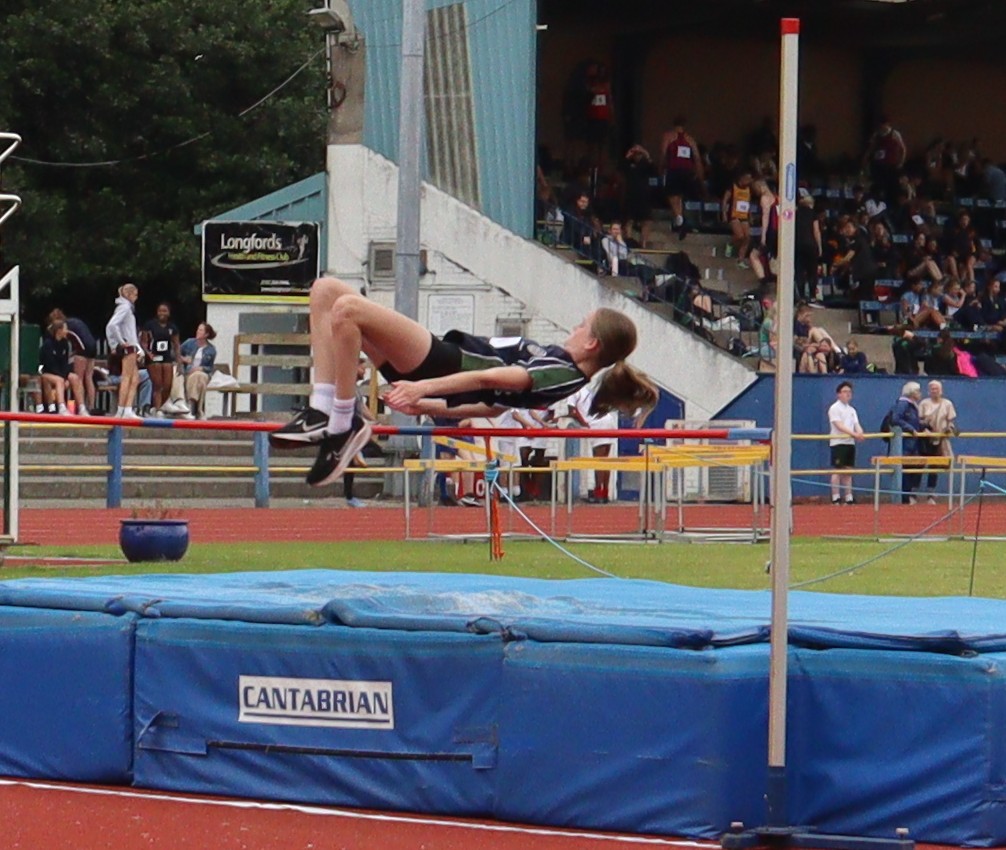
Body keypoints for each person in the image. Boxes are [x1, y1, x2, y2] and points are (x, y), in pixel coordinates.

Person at [270, 277, 658, 489]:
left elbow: (491, 377)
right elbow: (494, 405)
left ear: (591, 344)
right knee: (325, 292)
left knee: (346, 308)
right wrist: (425, 406)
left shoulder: (564, 371)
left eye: (581, 326)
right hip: (435, 365)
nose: (573, 328)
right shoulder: (560, 367)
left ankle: (341, 423)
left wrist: (425, 389)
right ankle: (323, 409)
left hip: (439, 362)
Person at [568, 382, 619, 503]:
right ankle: (605, 492)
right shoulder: (587, 390)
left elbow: (572, 411)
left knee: (599, 461)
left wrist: (584, 423)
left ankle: (598, 493)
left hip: (596, 424)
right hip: (607, 420)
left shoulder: (573, 393)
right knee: (605, 460)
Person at [659, 116, 704, 239]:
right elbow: (697, 158)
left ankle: (680, 219)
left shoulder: (668, 136)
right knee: (680, 196)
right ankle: (680, 219)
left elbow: (663, 153)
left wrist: (661, 168)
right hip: (687, 171)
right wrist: (699, 174)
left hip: (674, 170)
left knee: (672, 195)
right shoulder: (690, 139)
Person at [917, 380, 958, 505]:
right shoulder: (924, 403)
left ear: (941, 390)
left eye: (936, 389)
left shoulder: (947, 404)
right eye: (932, 389)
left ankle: (931, 494)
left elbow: (950, 422)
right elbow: (919, 421)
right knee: (919, 465)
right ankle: (913, 493)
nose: (934, 391)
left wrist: (949, 429)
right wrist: (925, 429)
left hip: (940, 439)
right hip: (925, 440)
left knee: (934, 467)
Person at [105, 283, 142, 420]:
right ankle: (121, 410)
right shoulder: (125, 307)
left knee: (135, 378)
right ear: (129, 294)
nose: (136, 298)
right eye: (135, 295)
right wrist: (120, 342)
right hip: (128, 346)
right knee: (127, 377)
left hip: (132, 346)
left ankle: (128, 408)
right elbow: (111, 325)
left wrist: (139, 348)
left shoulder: (126, 308)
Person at [140, 302, 182, 414]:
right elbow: (143, 342)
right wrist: (148, 353)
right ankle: (157, 409)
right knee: (158, 384)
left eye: (164, 311)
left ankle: (161, 405)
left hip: (166, 357)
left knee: (167, 385)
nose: (162, 313)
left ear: (169, 313)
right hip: (154, 356)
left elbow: (176, 345)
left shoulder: (172, 327)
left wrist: (179, 361)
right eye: (160, 311)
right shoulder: (150, 325)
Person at [39, 320, 87, 416]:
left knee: (75, 378)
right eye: (65, 329)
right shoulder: (48, 344)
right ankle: (62, 407)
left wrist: (66, 377)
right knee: (59, 380)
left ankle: (82, 408)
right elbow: (49, 364)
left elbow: (65, 363)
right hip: (48, 372)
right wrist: (63, 378)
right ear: (59, 330)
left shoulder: (65, 343)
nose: (67, 331)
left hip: (60, 373)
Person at [827, 381, 864, 505]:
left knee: (848, 471)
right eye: (845, 391)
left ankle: (849, 497)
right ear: (838, 394)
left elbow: (856, 424)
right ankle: (835, 497)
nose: (848, 394)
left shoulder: (852, 410)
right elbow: (839, 425)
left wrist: (860, 433)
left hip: (850, 443)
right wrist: (854, 434)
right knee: (837, 470)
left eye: (849, 392)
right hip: (838, 442)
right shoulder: (834, 408)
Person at [889, 381, 923, 505]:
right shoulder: (903, 404)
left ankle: (907, 497)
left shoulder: (913, 406)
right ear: (912, 393)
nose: (920, 393)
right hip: (904, 445)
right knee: (905, 471)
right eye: (918, 391)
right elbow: (895, 419)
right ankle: (903, 499)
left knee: (914, 469)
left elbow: (915, 422)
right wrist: (910, 429)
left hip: (912, 444)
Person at [179, 322, 218, 418]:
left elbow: (210, 368)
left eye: (200, 330)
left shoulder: (211, 350)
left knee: (199, 375)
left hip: (203, 374)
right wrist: (184, 359)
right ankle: (198, 410)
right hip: (188, 373)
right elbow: (175, 353)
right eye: (198, 329)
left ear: (206, 334)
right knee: (197, 378)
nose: (197, 332)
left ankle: (190, 405)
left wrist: (201, 368)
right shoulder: (189, 343)